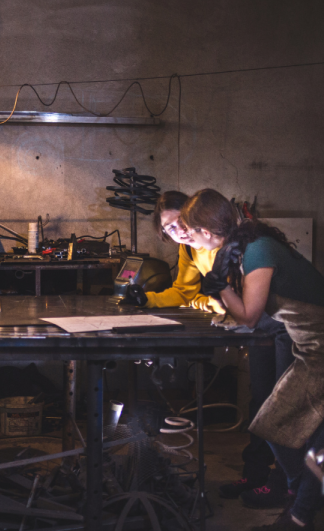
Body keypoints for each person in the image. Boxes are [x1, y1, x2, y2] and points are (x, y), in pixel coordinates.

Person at [181, 189, 324, 531]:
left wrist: (220, 289)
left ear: (208, 229)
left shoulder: (258, 250)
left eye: (191, 231)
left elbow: (249, 316)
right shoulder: (243, 246)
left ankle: (304, 499)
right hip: (313, 341)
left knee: (273, 426)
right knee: (318, 437)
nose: (189, 239)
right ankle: (303, 506)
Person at [124, 191, 292, 507]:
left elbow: (237, 298)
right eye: (170, 229)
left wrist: (212, 301)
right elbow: (183, 293)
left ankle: (282, 483)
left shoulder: (234, 244)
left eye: (182, 223)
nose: (180, 233)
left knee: (282, 404)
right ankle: (256, 474)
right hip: (254, 325)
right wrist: (146, 299)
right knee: (261, 400)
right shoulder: (191, 251)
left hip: (276, 323)